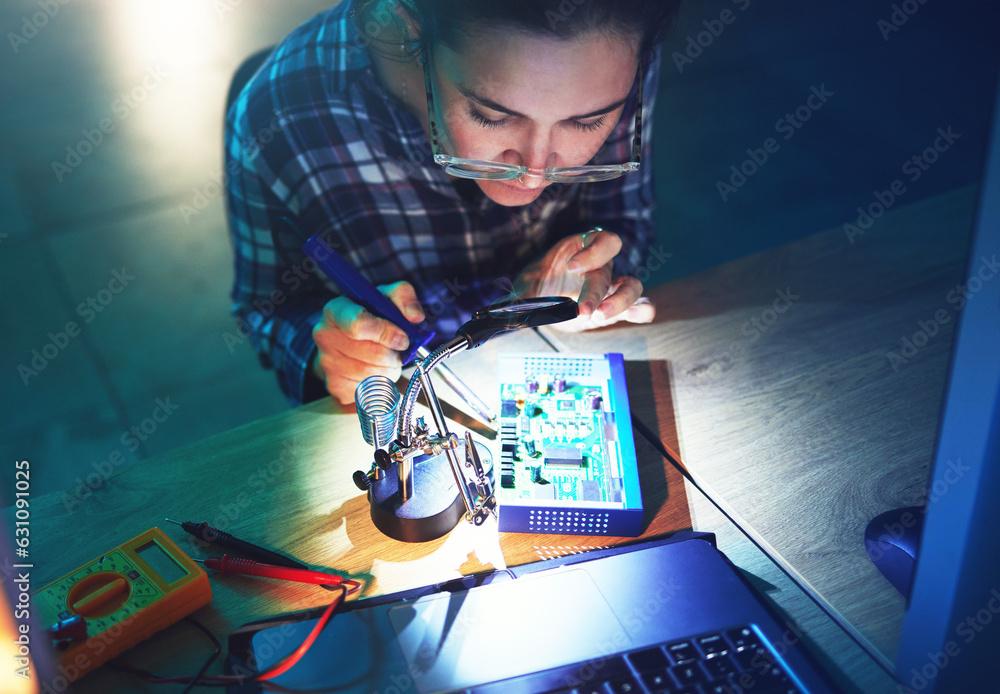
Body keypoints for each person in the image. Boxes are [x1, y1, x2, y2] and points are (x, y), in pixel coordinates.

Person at [225, 0, 680, 406]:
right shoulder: (277, 116)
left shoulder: (618, 51)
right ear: (407, 30)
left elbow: (627, 219)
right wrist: (327, 353)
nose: (534, 171)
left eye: (587, 122)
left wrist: (593, 270)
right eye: (493, 114)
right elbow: (267, 309)